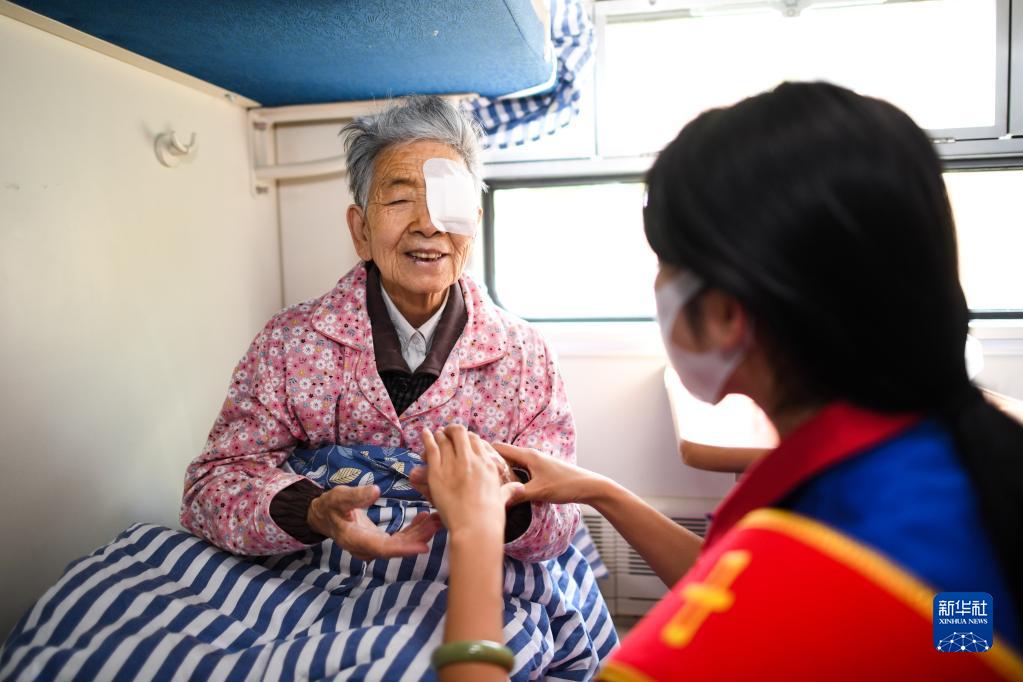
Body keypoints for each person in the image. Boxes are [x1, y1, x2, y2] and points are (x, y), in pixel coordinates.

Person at [420, 82, 1023, 681]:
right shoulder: (969, 463)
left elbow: (777, 602)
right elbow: (934, 641)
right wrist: (601, 491)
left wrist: (475, 532)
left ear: (725, 315)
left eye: (664, 265)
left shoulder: (807, 571)